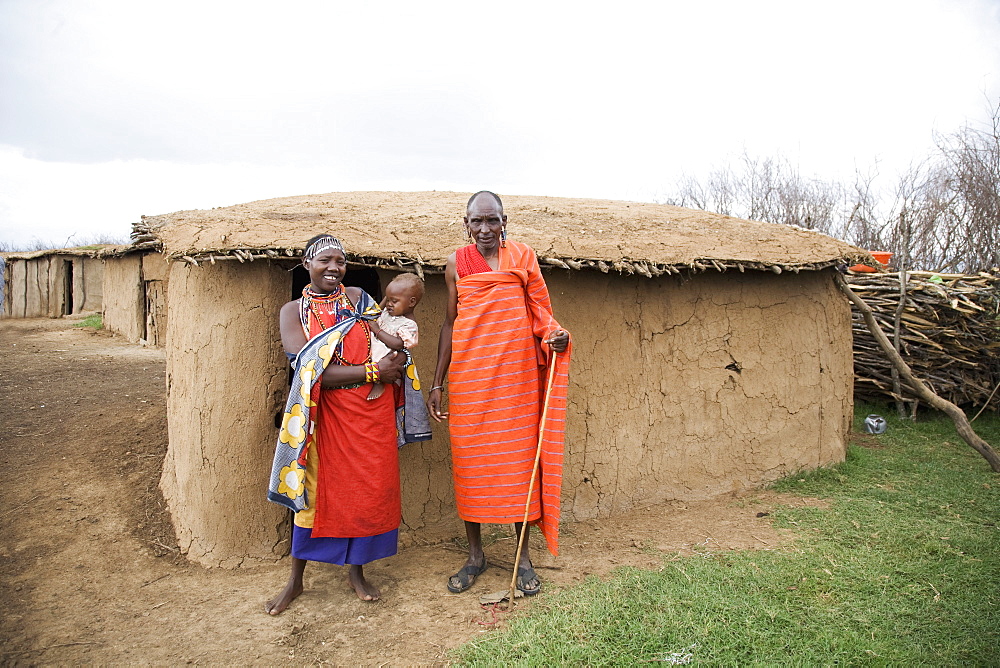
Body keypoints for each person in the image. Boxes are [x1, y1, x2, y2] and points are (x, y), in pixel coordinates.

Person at [427, 191, 571, 596]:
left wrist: (553, 336)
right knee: (472, 466)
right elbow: (450, 324)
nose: (485, 229)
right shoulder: (457, 263)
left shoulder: (523, 256)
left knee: (518, 466)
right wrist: (438, 383)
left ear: (504, 220)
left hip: (516, 381)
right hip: (471, 381)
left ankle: (522, 557)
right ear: (466, 223)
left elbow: (540, 312)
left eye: (492, 221)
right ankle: (476, 556)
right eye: (477, 222)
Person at [265, 234, 406, 615]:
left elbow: (388, 339)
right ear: (306, 264)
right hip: (322, 416)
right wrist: (375, 370)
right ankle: (296, 579)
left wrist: (397, 356)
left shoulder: (360, 298)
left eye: (340, 261)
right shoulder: (293, 312)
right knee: (311, 493)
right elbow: (308, 371)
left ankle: (356, 571)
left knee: (364, 489)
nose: (333, 268)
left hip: (369, 414)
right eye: (325, 260)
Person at [367, 273, 424, 401]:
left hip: (387, 353)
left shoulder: (409, 325)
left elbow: (398, 344)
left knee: (390, 358)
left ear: (412, 302)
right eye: (388, 300)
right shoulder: (388, 311)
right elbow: (375, 311)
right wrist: (387, 297)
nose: (389, 304)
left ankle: (379, 383)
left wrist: (377, 330)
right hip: (375, 345)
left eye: (394, 301)